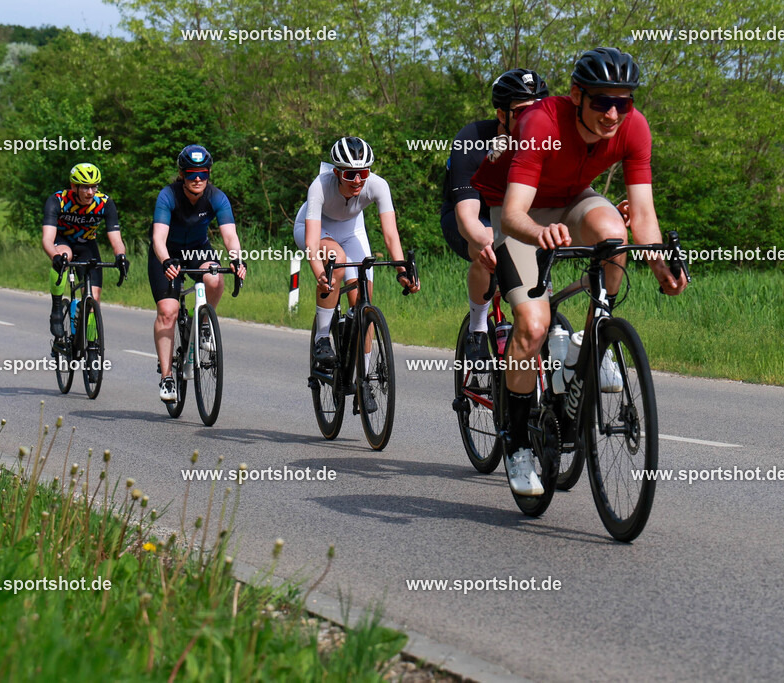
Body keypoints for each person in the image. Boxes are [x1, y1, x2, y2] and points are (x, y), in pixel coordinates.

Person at [472, 47, 687, 496]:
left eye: (623, 102)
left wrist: (660, 266)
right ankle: (516, 445)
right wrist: (539, 233)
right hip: (521, 212)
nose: (613, 113)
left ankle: (592, 345)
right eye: (602, 102)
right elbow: (512, 214)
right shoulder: (541, 123)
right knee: (531, 326)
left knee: (614, 232)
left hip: (574, 199)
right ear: (576, 95)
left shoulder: (634, 128)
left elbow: (643, 216)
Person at [294, 136, 419, 410]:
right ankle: (323, 337)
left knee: (364, 302)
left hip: (352, 231)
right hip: (314, 228)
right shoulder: (320, 187)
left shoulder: (378, 185)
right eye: (351, 174)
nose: (358, 180)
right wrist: (319, 272)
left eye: (363, 173)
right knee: (335, 259)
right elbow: (313, 242)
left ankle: (363, 383)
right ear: (337, 172)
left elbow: (390, 234)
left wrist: (401, 269)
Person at [440, 69, 547, 362]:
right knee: (487, 243)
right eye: (524, 111)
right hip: (470, 216)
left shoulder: (547, 141)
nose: (534, 119)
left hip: (516, 217)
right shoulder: (471, 139)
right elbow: (467, 217)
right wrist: (487, 242)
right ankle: (477, 329)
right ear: (502, 114)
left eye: (540, 110)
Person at [149, 144, 247, 402]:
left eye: (202, 174)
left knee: (215, 278)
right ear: (181, 174)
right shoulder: (168, 196)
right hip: (167, 253)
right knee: (168, 313)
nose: (197, 179)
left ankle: (202, 325)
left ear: (209, 174)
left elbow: (230, 236)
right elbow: (158, 237)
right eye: (191, 174)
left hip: (197, 250)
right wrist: (166, 260)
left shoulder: (216, 197)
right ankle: (167, 377)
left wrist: (237, 261)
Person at [42, 162, 128, 344]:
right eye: (85, 187)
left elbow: (116, 239)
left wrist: (120, 256)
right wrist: (55, 256)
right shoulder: (58, 200)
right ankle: (57, 307)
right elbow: (47, 239)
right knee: (66, 256)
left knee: (93, 298)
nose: (90, 192)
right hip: (63, 240)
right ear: (74, 187)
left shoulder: (104, 203)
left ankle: (91, 346)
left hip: (87, 244)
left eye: (94, 187)